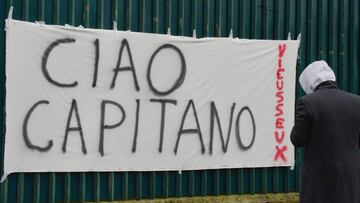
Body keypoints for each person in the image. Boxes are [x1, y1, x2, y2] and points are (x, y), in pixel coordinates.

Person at [290, 60, 360, 203]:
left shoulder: (307, 103)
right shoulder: (356, 101)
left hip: (319, 180)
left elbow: (297, 139)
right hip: (350, 178)